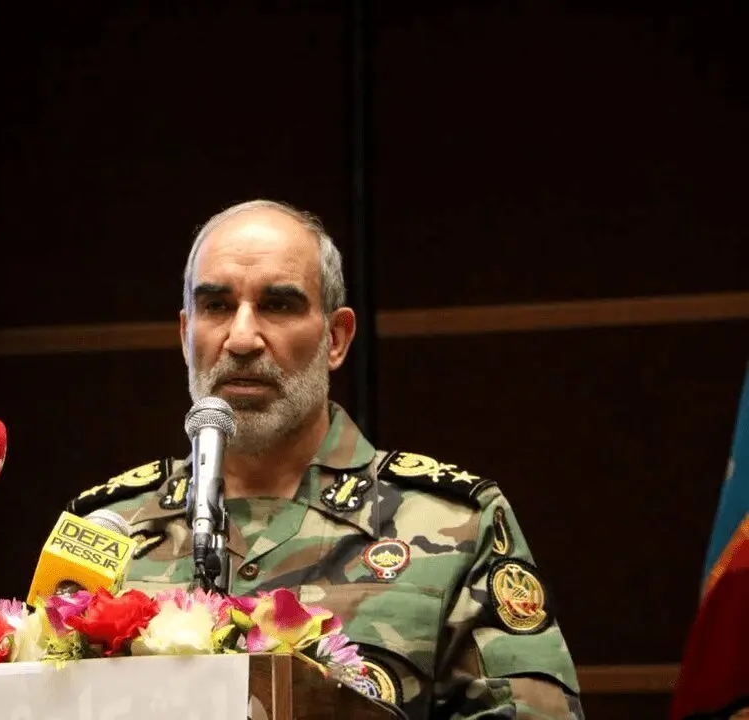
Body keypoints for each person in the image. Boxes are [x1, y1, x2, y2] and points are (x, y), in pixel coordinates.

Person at [68, 199, 584, 719]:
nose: (241, 339)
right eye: (217, 306)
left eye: (278, 305)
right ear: (186, 336)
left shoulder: (454, 523)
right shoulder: (104, 529)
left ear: (335, 338)